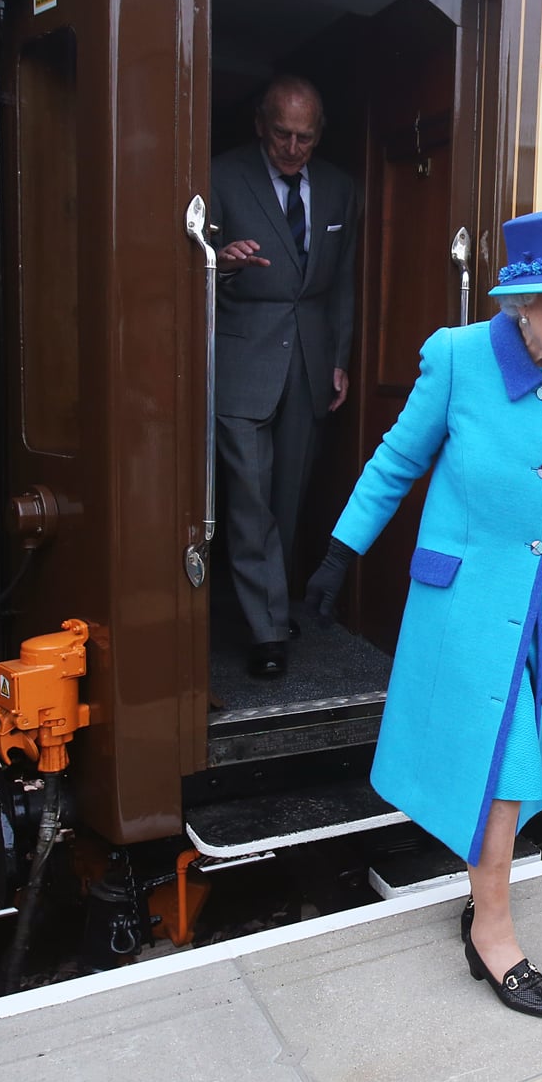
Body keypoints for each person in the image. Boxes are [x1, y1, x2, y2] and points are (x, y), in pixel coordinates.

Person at [300, 207, 542, 1017]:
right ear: (521, 303)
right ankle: (494, 932)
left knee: (521, 768)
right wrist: (339, 553)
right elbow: (396, 462)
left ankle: (484, 888)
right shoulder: (459, 359)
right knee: (501, 768)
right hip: (468, 609)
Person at [209, 75, 360, 679]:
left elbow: (343, 283)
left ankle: (268, 600)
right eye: (281, 135)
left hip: (310, 361)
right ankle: (267, 627)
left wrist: (340, 357)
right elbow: (187, 266)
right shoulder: (220, 176)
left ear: (318, 134)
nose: (292, 148)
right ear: (260, 125)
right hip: (242, 362)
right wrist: (219, 263)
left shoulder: (342, 189)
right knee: (248, 498)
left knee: (288, 496)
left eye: (304, 137)